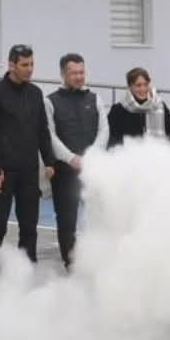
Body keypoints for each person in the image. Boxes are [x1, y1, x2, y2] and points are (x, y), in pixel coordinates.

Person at [0, 44, 56, 267]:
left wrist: (49, 160)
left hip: (29, 169)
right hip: (3, 170)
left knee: (29, 221)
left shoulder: (35, 93)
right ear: (11, 65)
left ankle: (27, 262)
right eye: (24, 65)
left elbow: (42, 130)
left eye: (31, 64)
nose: (29, 69)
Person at [45, 53, 108, 270]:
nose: (79, 77)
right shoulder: (50, 101)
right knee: (66, 218)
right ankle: (71, 262)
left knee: (96, 214)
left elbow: (104, 130)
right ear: (63, 74)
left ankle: (96, 256)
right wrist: (71, 158)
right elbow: (49, 135)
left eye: (82, 72)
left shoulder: (95, 99)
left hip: (92, 168)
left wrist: (92, 156)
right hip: (65, 171)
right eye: (74, 73)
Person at [107, 68, 170, 147]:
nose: (143, 89)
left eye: (146, 84)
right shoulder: (118, 110)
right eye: (138, 85)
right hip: (127, 153)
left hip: (157, 152)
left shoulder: (159, 106)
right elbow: (112, 138)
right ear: (130, 86)